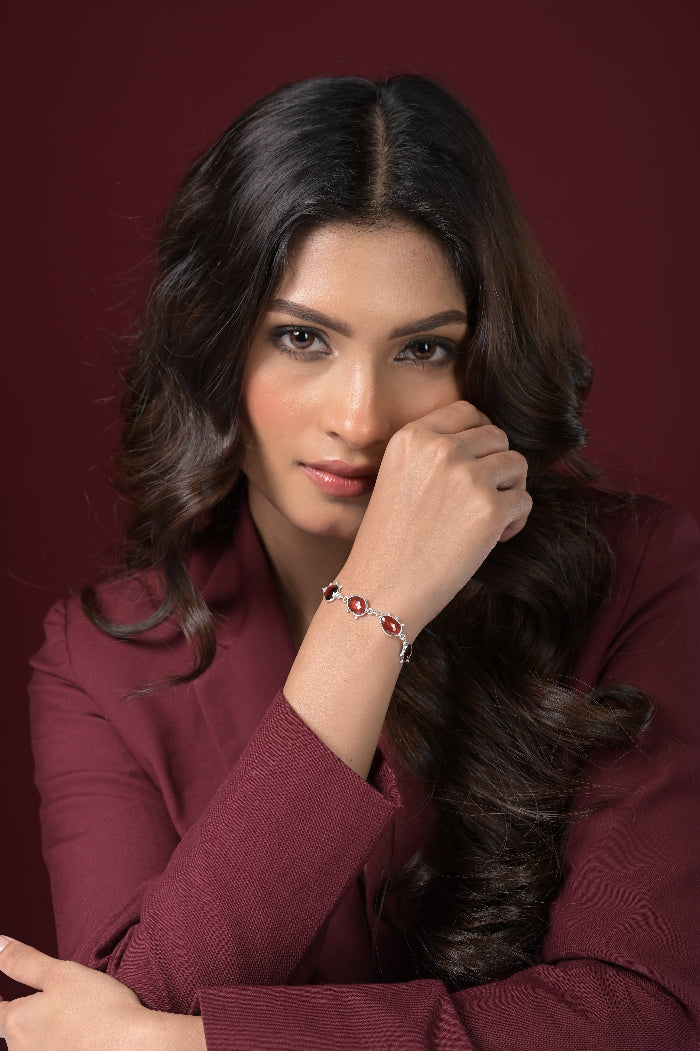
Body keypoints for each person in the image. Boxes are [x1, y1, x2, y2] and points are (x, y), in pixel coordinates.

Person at [0, 74, 698, 1050]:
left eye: (420, 349)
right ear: (217, 344)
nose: (360, 419)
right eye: (300, 338)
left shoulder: (642, 576)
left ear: (483, 360)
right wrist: (371, 615)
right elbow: (127, 1005)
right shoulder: (98, 655)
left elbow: (644, 1016)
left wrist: (199, 1043)